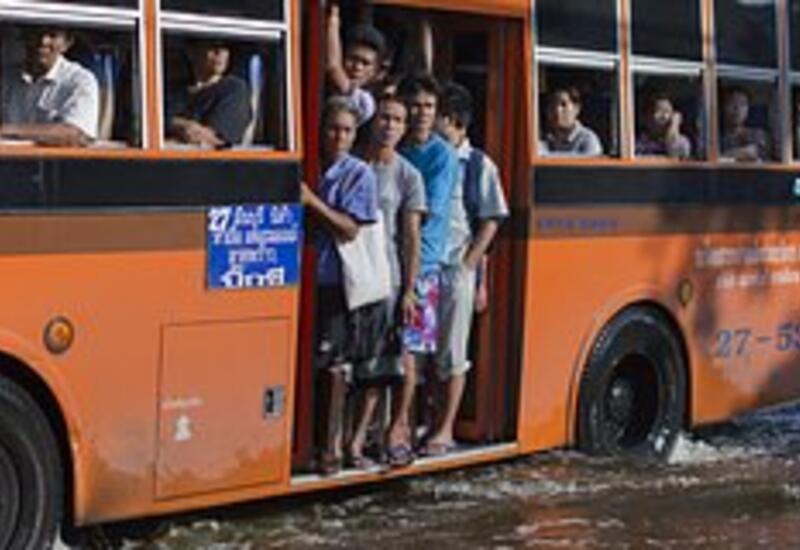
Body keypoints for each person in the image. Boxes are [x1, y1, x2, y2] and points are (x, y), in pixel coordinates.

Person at [422, 82, 508, 456]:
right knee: (422, 347)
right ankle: (423, 421)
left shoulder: (478, 165)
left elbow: (491, 218)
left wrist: (471, 265)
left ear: (453, 121)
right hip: (426, 264)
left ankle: (446, 429)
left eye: (436, 114)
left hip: (457, 266)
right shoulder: (427, 155)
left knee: (452, 352)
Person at [301, 96, 381, 475]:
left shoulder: (358, 174)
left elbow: (351, 228)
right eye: (333, 128)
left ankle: (329, 448)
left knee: (331, 363)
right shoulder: (310, 164)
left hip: (336, 281)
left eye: (347, 131)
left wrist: (312, 203)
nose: (339, 137)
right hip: (303, 278)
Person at [347, 93, 427, 469]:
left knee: (391, 363)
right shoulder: (353, 165)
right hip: (350, 274)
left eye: (397, 120)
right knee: (356, 363)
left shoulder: (408, 175)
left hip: (389, 279)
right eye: (384, 118)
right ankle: (349, 441)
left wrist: (410, 289)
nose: (390, 126)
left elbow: (411, 237)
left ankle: (388, 435)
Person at [397, 73, 459, 462]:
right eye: (416, 106)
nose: (422, 114)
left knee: (414, 349)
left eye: (429, 107)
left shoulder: (442, 155)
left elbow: (422, 211)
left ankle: (404, 426)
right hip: (391, 258)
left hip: (425, 263)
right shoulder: (396, 146)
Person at [0, 26, 99, 147]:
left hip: (57, 164)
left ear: (67, 43)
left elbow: (75, 134)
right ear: (24, 37)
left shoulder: (80, 80)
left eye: (53, 35)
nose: (43, 41)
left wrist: (8, 130)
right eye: (36, 33)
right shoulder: (6, 77)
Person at [168, 39, 252, 148]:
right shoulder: (175, 91)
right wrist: (180, 125)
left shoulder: (234, 89)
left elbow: (213, 140)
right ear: (191, 52)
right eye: (212, 46)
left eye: (224, 47)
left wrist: (173, 127)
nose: (219, 53)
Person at [326, 3, 388, 125]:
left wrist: (333, 17)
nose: (357, 67)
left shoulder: (365, 101)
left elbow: (333, 66)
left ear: (376, 71)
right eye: (352, 59)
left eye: (365, 63)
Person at [539, 87, 603, 156]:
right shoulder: (542, 139)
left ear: (576, 109)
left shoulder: (588, 140)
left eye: (563, 105)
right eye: (552, 105)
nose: (557, 110)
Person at [636, 92, 692, 160]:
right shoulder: (638, 143)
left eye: (667, 112)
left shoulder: (683, 142)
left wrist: (673, 127)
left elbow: (676, 158)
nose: (664, 117)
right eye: (659, 111)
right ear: (647, 116)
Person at [720, 86, 769, 162]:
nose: (737, 108)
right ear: (723, 107)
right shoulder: (716, 136)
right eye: (731, 103)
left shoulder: (757, 134)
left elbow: (752, 153)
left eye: (742, 104)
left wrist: (723, 156)